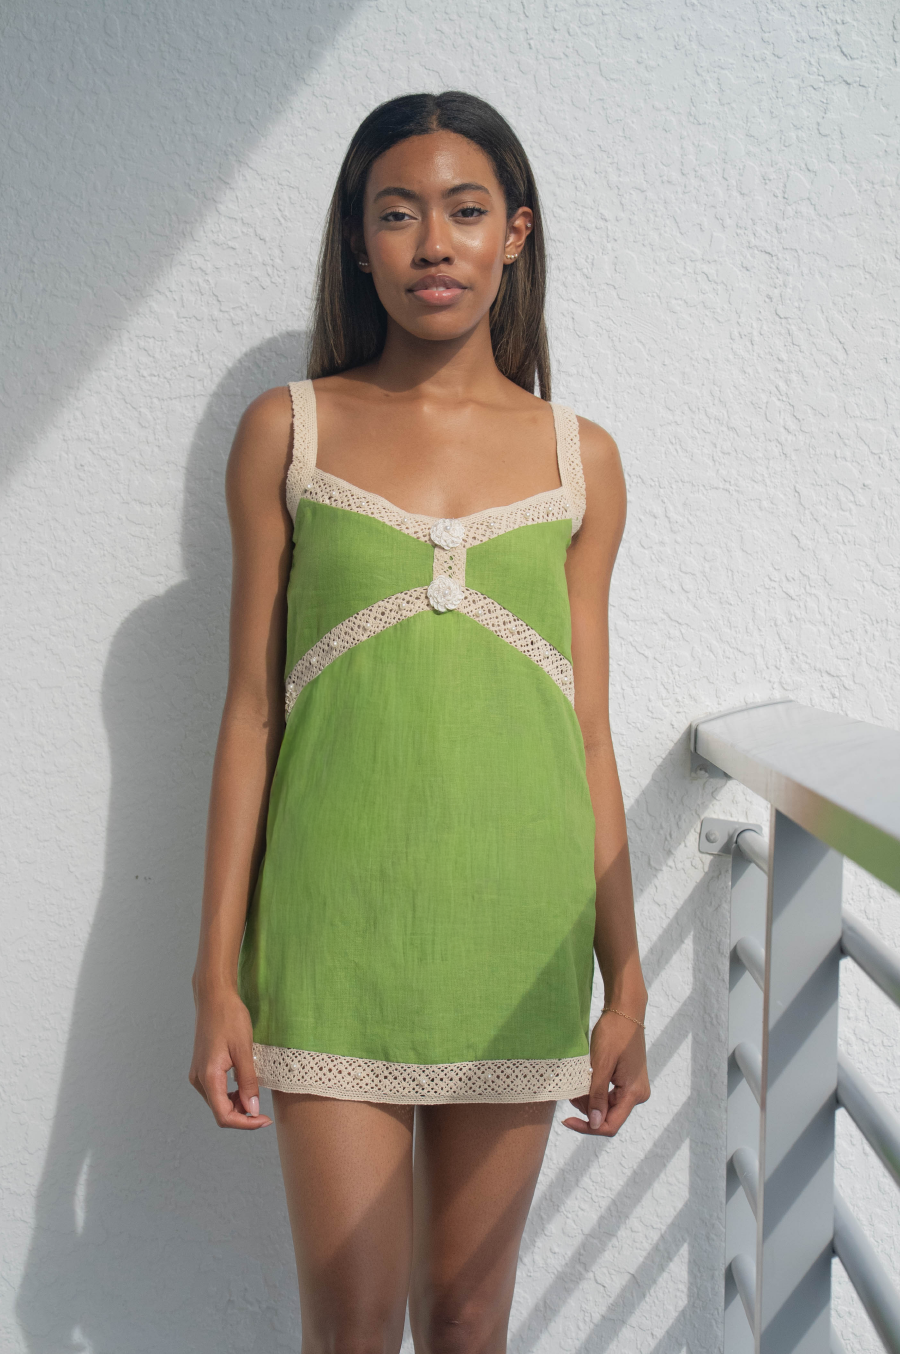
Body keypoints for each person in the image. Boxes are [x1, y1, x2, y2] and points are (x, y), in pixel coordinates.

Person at [189, 90, 649, 1353]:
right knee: (348, 1329)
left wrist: (626, 979)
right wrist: (214, 975)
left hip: (519, 932)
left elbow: (587, 731)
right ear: (358, 239)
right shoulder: (287, 431)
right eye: (396, 214)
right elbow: (250, 717)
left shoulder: (583, 459)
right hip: (333, 935)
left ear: (516, 233)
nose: (432, 244)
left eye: (464, 211)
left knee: (468, 1320)